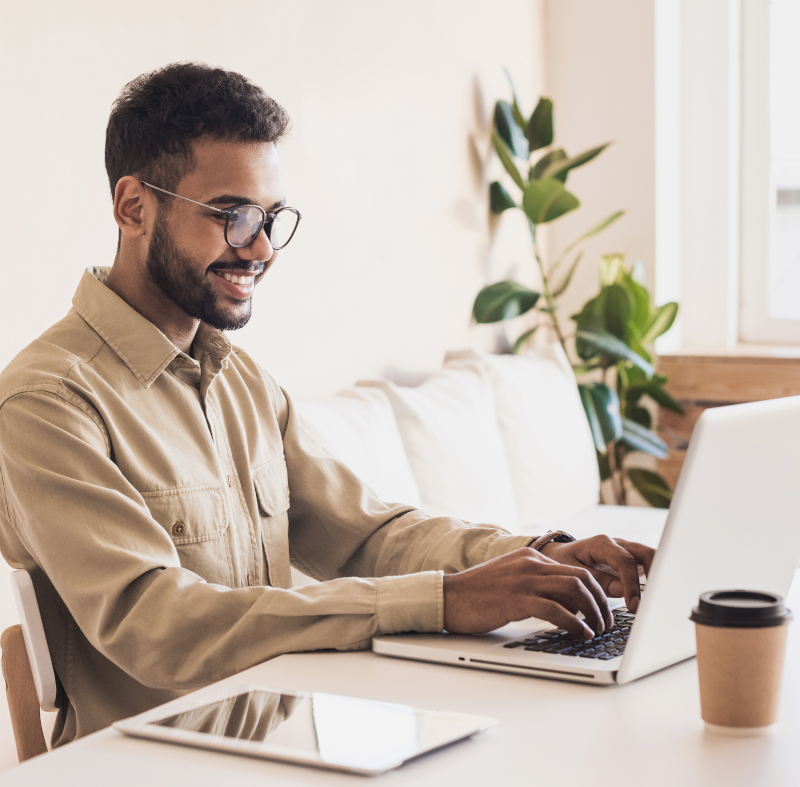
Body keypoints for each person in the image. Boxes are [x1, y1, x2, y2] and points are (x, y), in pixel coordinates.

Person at [0, 63, 654, 747]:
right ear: (133, 206)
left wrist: (540, 557)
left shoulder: (240, 380)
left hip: (288, 750)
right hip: (154, 765)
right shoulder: (48, 401)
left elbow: (368, 535)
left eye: (271, 219)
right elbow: (157, 623)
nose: (260, 249)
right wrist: (444, 602)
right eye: (233, 217)